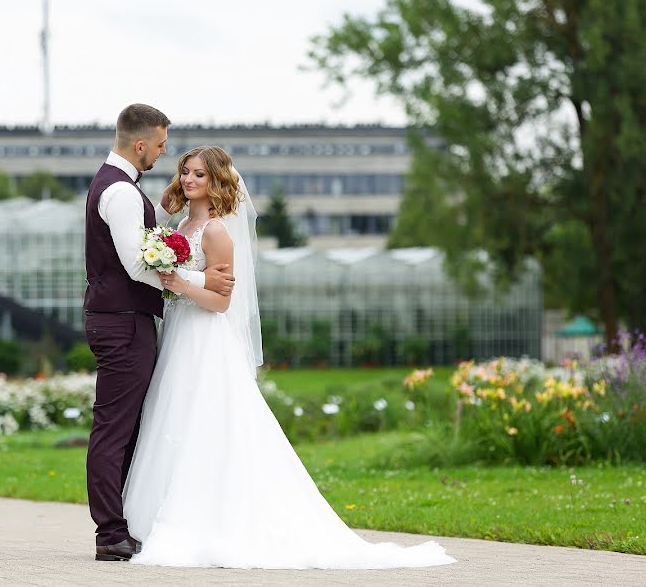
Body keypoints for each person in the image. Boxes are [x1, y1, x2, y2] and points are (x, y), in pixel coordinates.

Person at [122, 146, 456, 569]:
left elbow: (221, 302)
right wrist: (171, 276)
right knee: (172, 419)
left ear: (217, 181)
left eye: (199, 175)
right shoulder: (182, 223)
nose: (188, 180)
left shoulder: (216, 232)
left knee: (203, 420)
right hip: (179, 334)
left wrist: (179, 282)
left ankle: (206, 519)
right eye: (185, 172)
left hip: (204, 338)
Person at [82, 104, 236, 562]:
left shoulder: (118, 188)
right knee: (116, 429)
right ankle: (111, 531)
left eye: (195, 172)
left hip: (134, 321)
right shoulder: (123, 193)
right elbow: (136, 263)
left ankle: (126, 523)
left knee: (133, 428)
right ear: (141, 144)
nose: (165, 156)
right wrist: (199, 281)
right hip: (123, 322)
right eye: (164, 147)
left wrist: (193, 282)